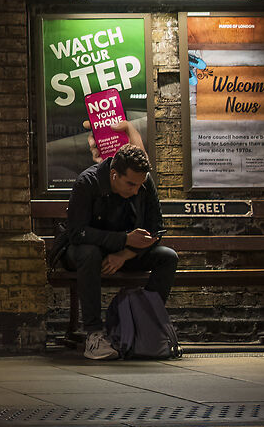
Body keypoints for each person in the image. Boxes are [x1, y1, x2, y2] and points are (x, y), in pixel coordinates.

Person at [51, 144, 177, 360]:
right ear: (114, 175)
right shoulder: (87, 182)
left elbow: (156, 229)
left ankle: (142, 327)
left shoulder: (143, 182)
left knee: (168, 257)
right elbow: (77, 233)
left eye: (140, 185)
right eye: (131, 184)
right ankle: (94, 336)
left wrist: (125, 254)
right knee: (89, 253)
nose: (136, 190)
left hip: (123, 252)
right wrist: (124, 239)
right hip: (83, 251)